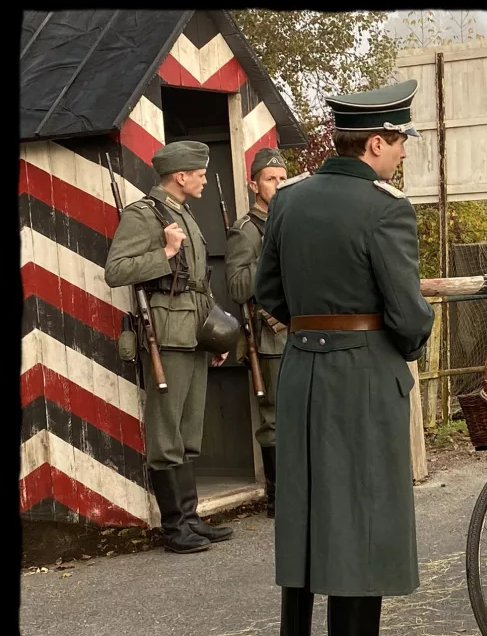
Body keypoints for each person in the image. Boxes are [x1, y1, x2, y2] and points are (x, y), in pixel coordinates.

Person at [254, 79, 436, 636]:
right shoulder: (386, 209)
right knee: (363, 521)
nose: (403, 153)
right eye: (400, 141)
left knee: (306, 519)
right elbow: (408, 314)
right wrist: (407, 346)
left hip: (301, 373)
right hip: (363, 378)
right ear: (375, 143)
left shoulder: (288, 199)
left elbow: (268, 291)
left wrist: (310, 329)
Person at [104, 140, 238, 554]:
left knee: (189, 430)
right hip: (167, 334)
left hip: (194, 332)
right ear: (180, 176)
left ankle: (191, 519)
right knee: (167, 432)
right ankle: (175, 526)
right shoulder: (143, 214)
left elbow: (198, 282)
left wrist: (214, 333)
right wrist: (165, 251)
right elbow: (116, 270)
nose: (203, 180)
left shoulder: (183, 213)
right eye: (199, 174)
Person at [225, 147, 290, 518]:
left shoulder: (290, 221)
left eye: (282, 179)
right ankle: (278, 497)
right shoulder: (247, 230)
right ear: (254, 185)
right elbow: (236, 287)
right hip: (270, 337)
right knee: (275, 418)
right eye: (270, 179)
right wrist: (269, 252)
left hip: (299, 331)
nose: (277, 185)